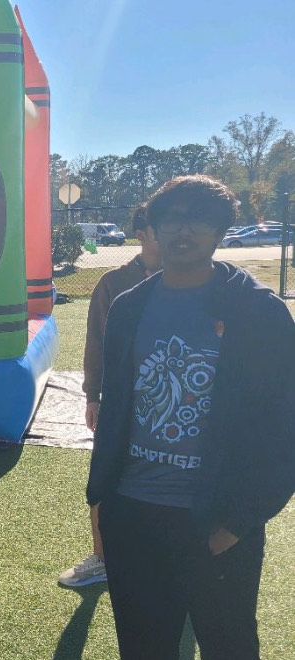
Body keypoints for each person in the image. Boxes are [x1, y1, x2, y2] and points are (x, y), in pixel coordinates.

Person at [87, 175, 295, 660]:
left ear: (221, 228)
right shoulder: (129, 307)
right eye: (172, 217)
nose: (184, 229)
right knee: (143, 647)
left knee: (229, 645)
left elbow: (284, 426)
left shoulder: (258, 312)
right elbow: (116, 407)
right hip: (133, 515)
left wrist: (241, 521)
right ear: (153, 228)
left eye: (198, 217)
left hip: (216, 520)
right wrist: (103, 499)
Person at [60, 204, 161, 588]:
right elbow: (96, 345)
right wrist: (93, 396)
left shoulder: (196, 281)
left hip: (174, 407)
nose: (171, 234)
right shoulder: (114, 283)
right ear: (142, 234)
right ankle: (103, 558)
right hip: (121, 404)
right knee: (104, 479)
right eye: (160, 227)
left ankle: (169, 559)